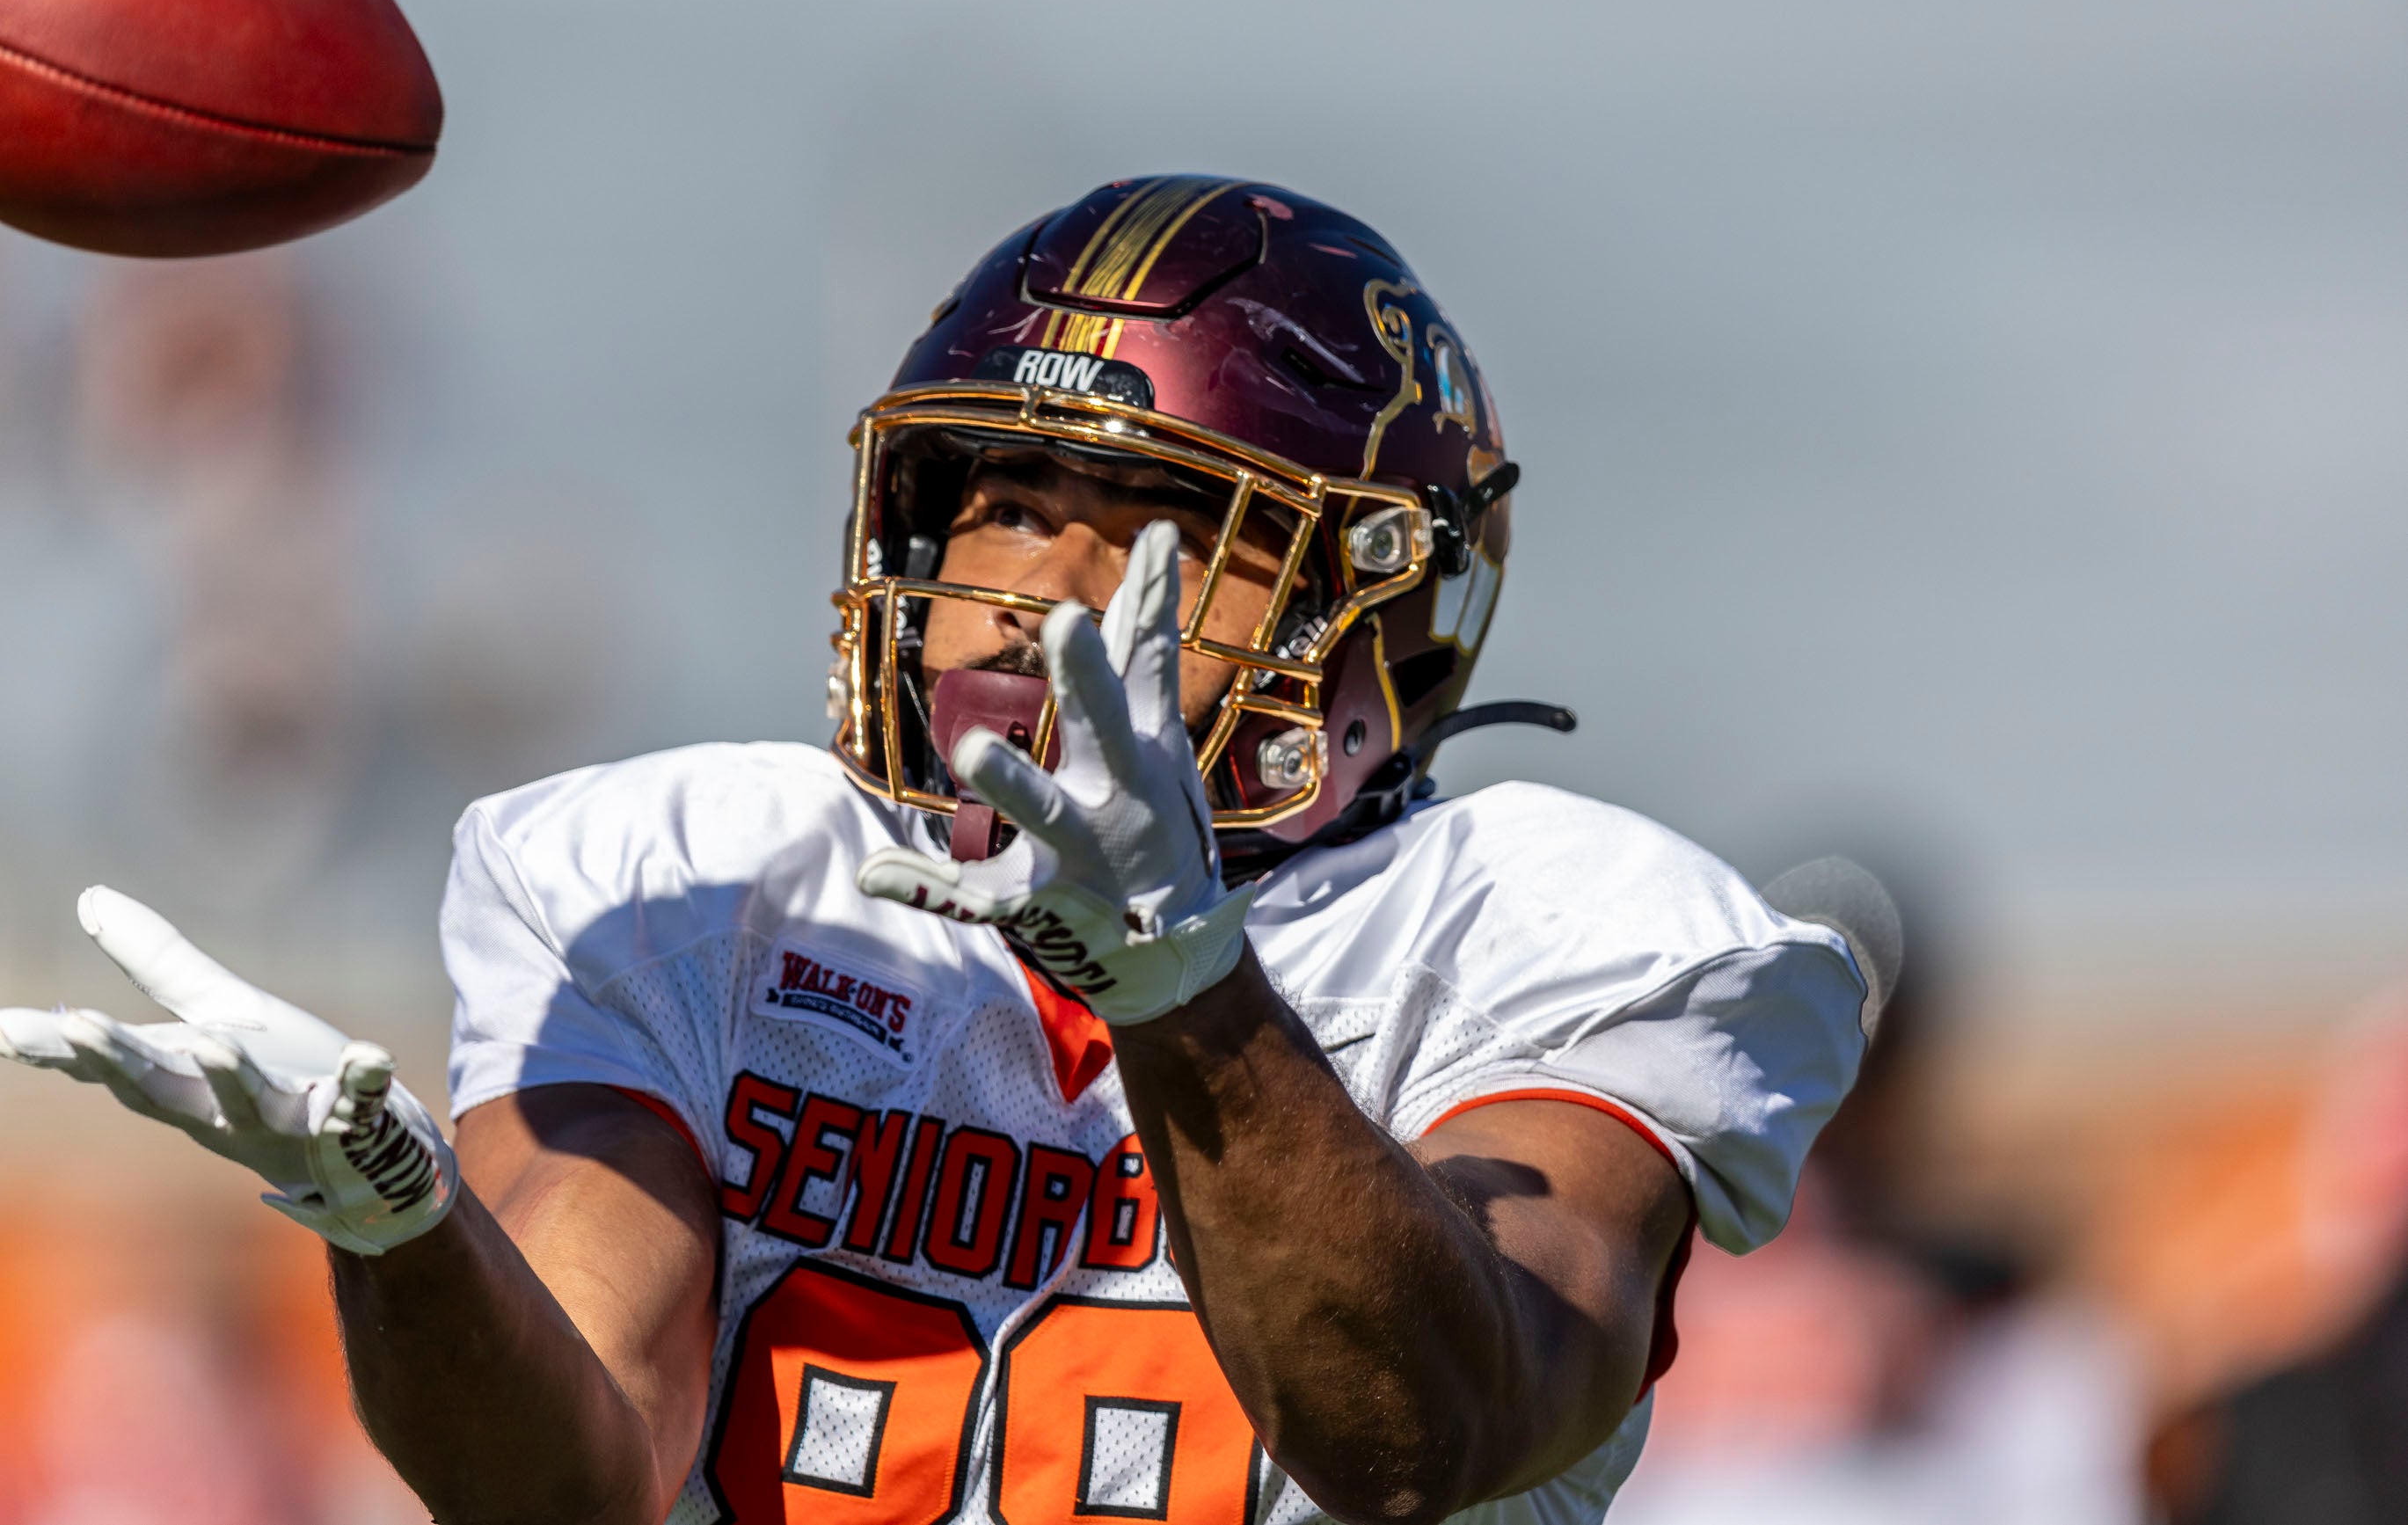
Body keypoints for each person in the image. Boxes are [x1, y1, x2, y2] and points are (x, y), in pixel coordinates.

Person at [0, 176, 1880, 1525]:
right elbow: (567, 1482)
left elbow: (1419, 1432)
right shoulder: (686, 882)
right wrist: (400, 1231)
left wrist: (1180, 983)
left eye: (1158, 525)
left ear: (1369, 618)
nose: (1024, 593)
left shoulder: (1563, 927)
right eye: (999, 505)